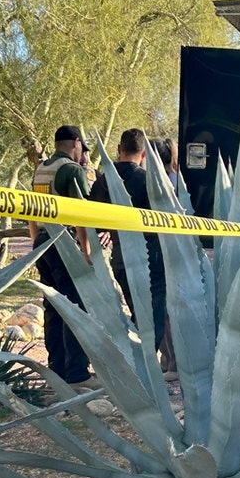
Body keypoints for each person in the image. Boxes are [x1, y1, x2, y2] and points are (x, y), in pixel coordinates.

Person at [29, 125, 97, 389]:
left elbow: (32, 211)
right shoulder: (72, 171)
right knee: (73, 306)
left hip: (42, 243)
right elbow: (81, 215)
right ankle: (77, 373)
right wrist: (86, 251)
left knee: (53, 308)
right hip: (64, 244)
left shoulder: (41, 169)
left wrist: (34, 241)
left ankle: (56, 369)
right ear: (76, 143)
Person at [89, 129, 167, 359]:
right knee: (153, 317)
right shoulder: (148, 181)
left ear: (118, 150)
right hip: (150, 259)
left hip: (120, 259)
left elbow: (91, 221)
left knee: (136, 313)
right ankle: (144, 365)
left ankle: (133, 361)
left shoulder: (102, 182)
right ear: (144, 154)